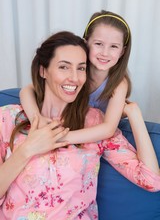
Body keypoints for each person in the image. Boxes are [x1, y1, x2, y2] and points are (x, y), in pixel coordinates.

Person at [0, 31, 160, 220]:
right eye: (64, 67)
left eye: (81, 68)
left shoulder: (95, 123)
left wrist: (134, 114)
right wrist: (27, 150)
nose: (74, 78)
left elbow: (151, 180)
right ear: (43, 70)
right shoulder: (8, 118)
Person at [20, 10, 160, 176]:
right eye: (98, 44)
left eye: (114, 46)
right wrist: (38, 119)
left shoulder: (118, 83)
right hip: (78, 121)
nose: (105, 53)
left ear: (122, 51)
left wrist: (59, 138)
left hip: (101, 128)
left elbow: (108, 129)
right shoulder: (76, 72)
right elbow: (27, 90)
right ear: (86, 43)